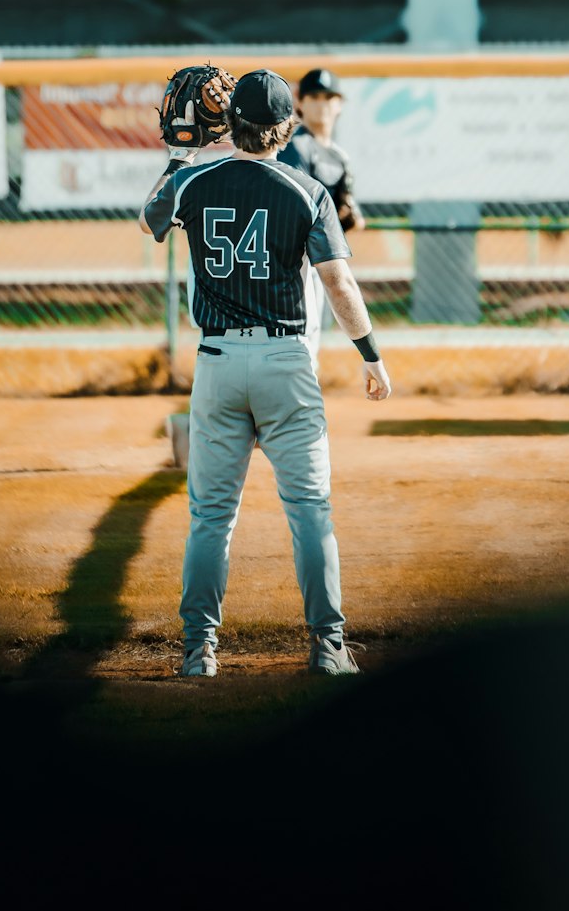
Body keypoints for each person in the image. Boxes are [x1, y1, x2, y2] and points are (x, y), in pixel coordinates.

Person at [138, 68, 391, 679]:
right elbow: (338, 282)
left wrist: (179, 152)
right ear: (286, 127)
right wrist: (371, 354)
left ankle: (199, 651)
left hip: (218, 363)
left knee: (210, 517)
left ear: (230, 124)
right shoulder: (307, 190)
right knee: (310, 509)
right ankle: (328, 647)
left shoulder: (195, 180)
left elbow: (150, 222)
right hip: (285, 362)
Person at [278, 67, 365, 361]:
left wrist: (347, 218)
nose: (322, 103)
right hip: (294, 263)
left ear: (339, 103)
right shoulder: (296, 147)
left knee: (310, 340)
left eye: (329, 96)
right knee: (301, 343)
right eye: (314, 96)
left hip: (320, 263)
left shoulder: (339, 157)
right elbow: (293, 207)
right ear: (300, 102)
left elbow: (349, 218)